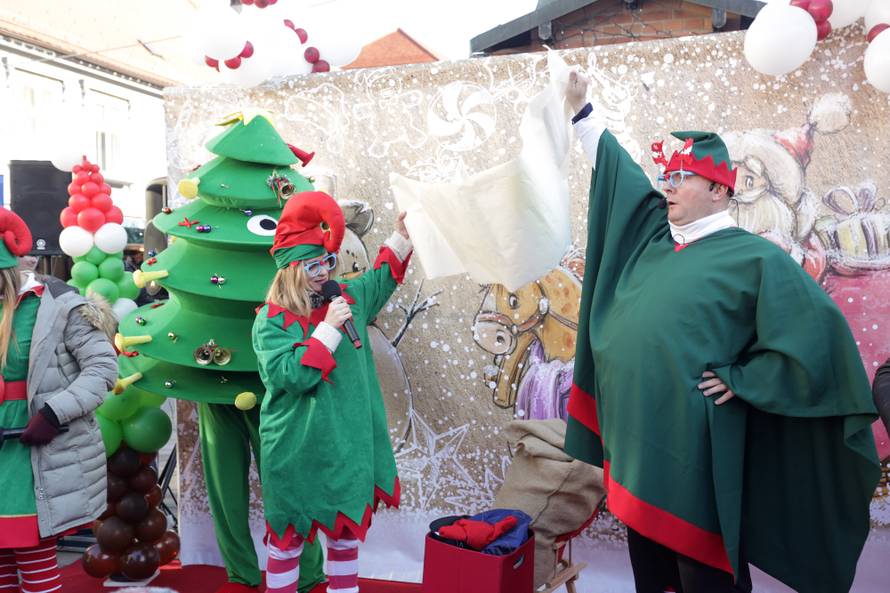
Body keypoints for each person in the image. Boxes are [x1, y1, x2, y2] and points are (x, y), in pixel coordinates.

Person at [562, 70, 881, 593]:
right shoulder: (653, 238)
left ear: (717, 189)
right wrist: (582, 114)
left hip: (695, 451)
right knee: (650, 572)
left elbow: (819, 343)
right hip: (639, 444)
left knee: (703, 574)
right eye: (667, 177)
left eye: (680, 178)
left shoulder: (757, 259)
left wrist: (745, 378)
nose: (668, 186)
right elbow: (620, 179)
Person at [252, 191, 412, 593]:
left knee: (344, 535)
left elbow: (382, 277)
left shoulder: (347, 300)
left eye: (327, 261)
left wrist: (402, 237)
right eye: (313, 265)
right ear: (291, 269)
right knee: (288, 540)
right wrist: (327, 330)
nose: (324, 272)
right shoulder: (270, 321)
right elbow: (291, 376)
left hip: (345, 448)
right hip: (296, 450)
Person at [0, 209, 118, 592]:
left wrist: (53, 413)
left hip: (35, 453)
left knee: (33, 560)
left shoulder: (61, 306)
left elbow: (102, 369)